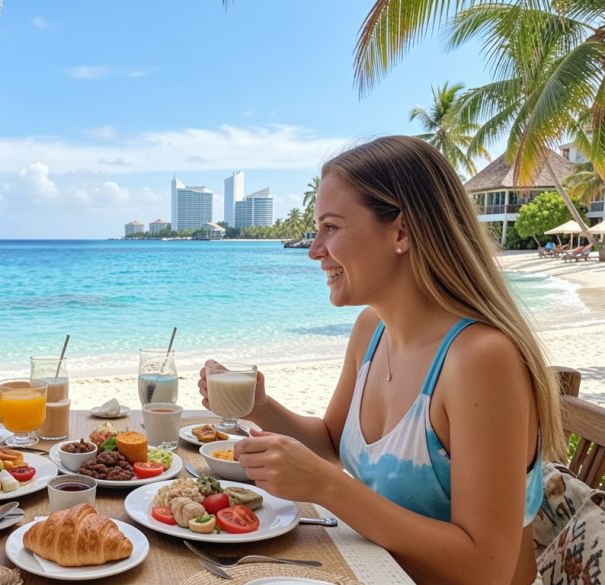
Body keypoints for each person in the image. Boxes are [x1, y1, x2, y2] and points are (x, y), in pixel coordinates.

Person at [199, 136, 563, 585]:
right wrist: (260, 406)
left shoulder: (482, 359)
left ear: (402, 232)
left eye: (331, 227)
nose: (314, 250)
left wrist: (329, 488)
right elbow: (332, 442)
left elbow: (486, 569)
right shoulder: (372, 330)